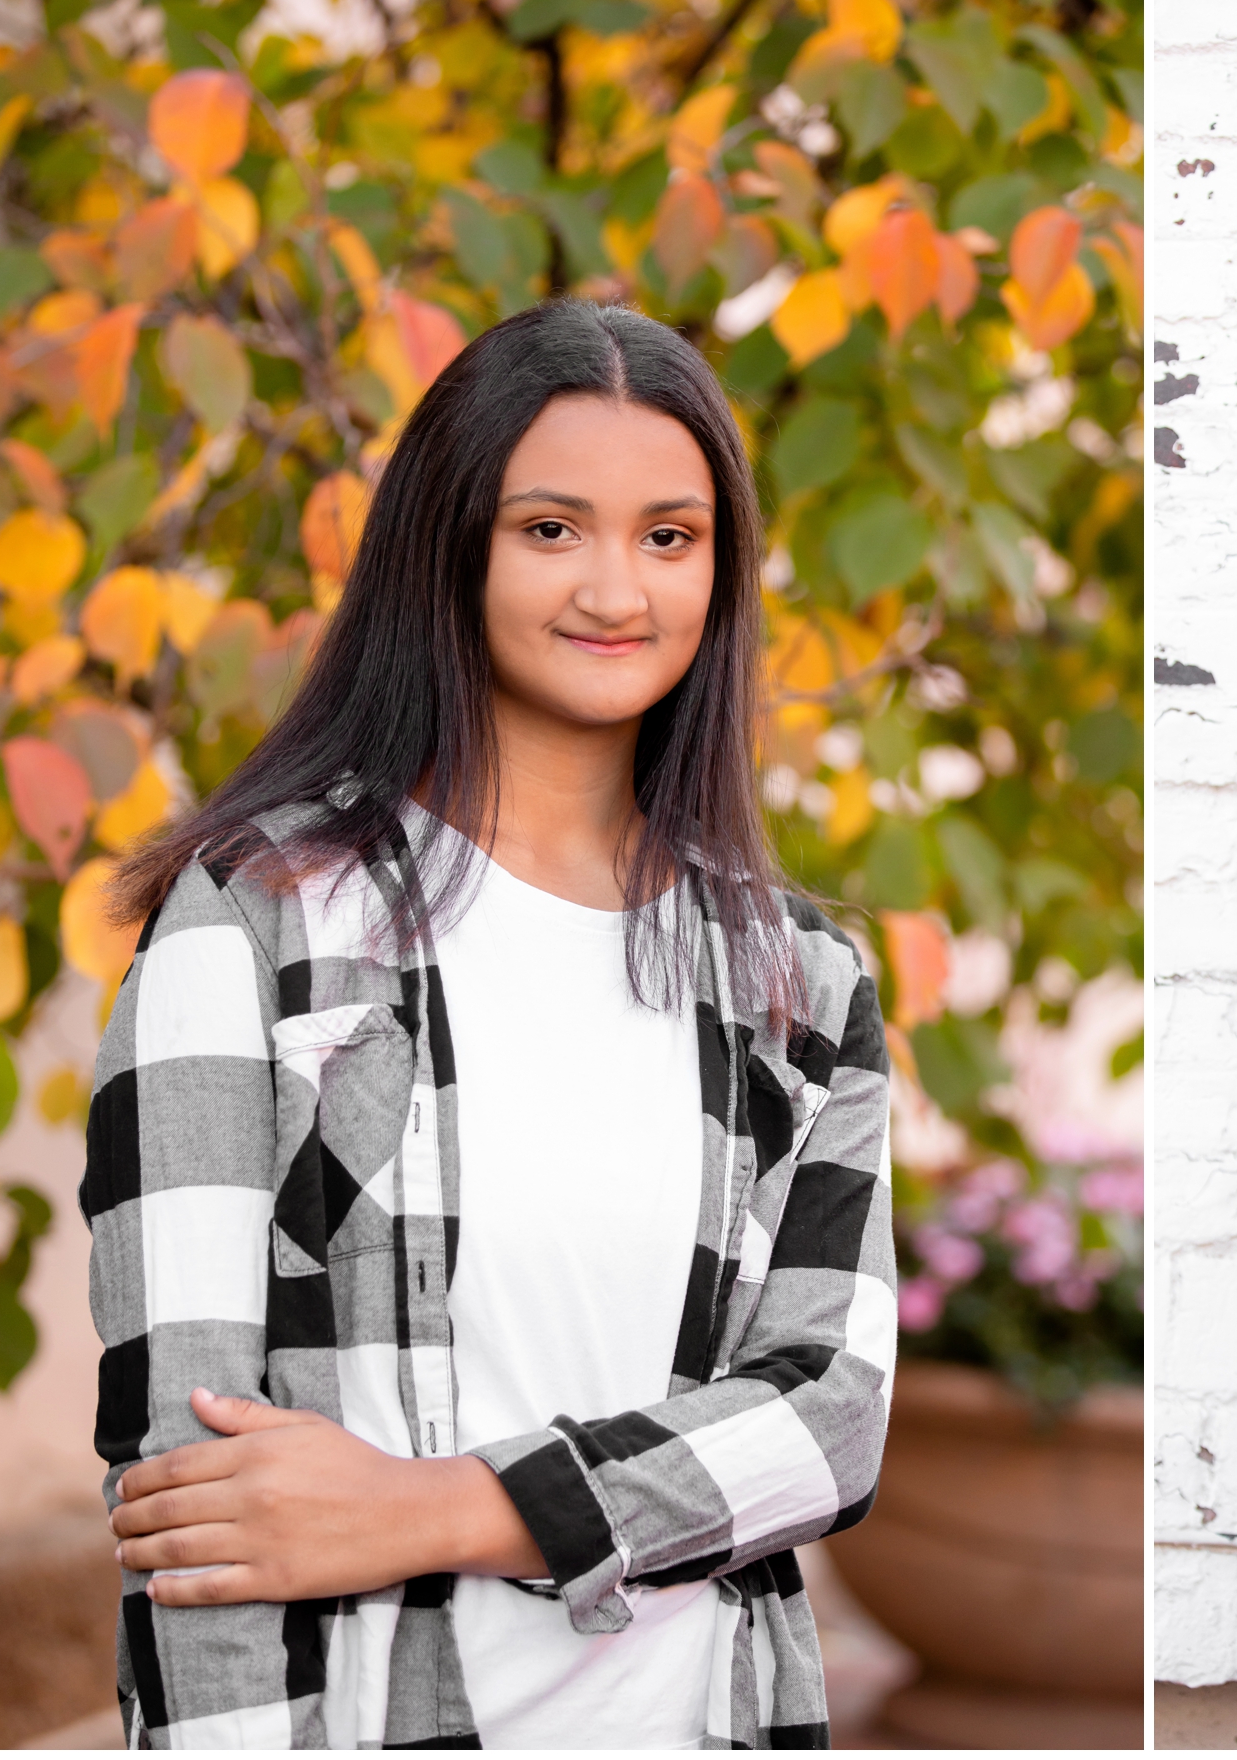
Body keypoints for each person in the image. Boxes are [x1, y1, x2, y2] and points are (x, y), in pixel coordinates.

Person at [83, 297, 894, 1749]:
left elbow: (828, 1416)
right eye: (549, 528)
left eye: (669, 535)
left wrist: (434, 1508)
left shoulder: (797, 978)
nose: (615, 587)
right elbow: (191, 1492)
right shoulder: (257, 921)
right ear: (450, 543)